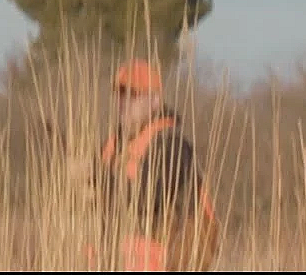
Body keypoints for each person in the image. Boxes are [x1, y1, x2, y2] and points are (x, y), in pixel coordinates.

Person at [85, 58, 220, 272]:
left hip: (173, 251)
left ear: (156, 101)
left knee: (128, 252)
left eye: (133, 95)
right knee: (85, 250)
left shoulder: (171, 144)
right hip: (132, 245)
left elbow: (144, 198)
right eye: (120, 95)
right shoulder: (113, 144)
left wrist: (95, 175)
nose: (124, 103)